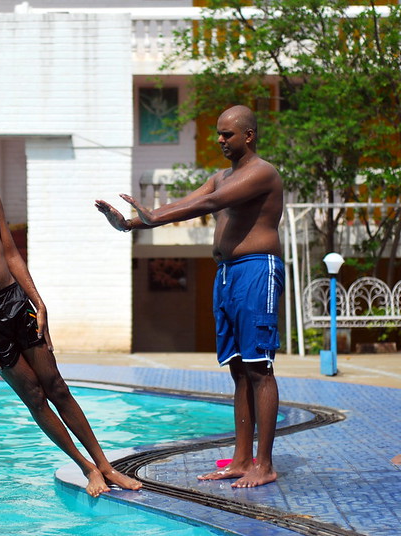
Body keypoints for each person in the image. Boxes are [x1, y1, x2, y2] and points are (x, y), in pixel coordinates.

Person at [0, 129, 142, 497]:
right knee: (33, 395)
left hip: (16, 301)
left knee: (57, 385)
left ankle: (106, 466)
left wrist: (39, 301)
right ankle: (86, 468)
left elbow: (11, 252)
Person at [95, 105, 284, 488]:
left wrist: (153, 218)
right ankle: (242, 459)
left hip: (256, 270)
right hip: (227, 274)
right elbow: (182, 203)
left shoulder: (262, 173)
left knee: (259, 368)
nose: (219, 140)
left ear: (248, 135)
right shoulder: (220, 177)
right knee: (238, 369)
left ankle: (264, 464)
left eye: (227, 134)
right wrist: (131, 223)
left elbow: (209, 204)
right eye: (218, 133)